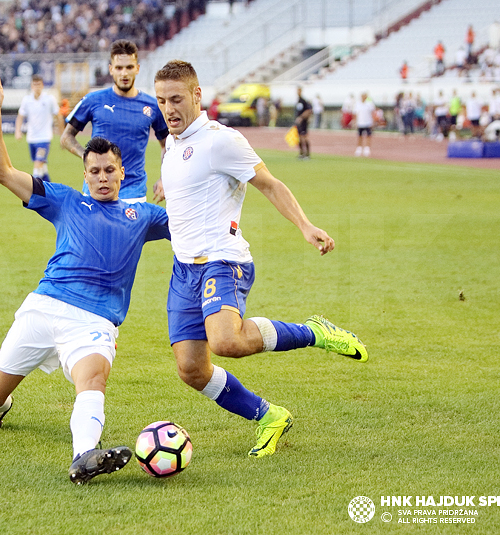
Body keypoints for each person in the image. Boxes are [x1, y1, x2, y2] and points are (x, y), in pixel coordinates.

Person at [152, 60, 367, 460]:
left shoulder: (222, 140)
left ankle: (314, 332)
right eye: (162, 100)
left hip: (222, 261)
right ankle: (270, 416)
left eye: (177, 99)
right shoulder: (172, 143)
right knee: (191, 370)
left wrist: (305, 225)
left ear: (197, 96)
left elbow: (269, 184)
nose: (169, 108)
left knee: (226, 341)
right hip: (183, 269)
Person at [0, 66, 171, 484]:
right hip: (45, 308)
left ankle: (84, 457)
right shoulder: (64, 200)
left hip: (94, 322)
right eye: (95, 171)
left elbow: (190, 226)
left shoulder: (143, 216)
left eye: (110, 170)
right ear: (84, 174)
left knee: (94, 377)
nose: (102, 177)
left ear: (123, 173)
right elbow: (1, 172)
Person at [61, 39, 169, 203]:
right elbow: (66, 137)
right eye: (119, 68)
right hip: (95, 190)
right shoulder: (93, 100)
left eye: (129, 67)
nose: (124, 73)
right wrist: (87, 156)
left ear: (137, 68)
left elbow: (167, 145)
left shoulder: (153, 106)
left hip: (134, 193)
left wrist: (164, 178)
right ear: (111, 69)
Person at [15, 74, 64, 182]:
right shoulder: (27, 100)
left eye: (39, 84)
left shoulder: (49, 99)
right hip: (32, 138)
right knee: (42, 166)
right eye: (34, 84)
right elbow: (20, 116)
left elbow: (58, 116)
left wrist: (62, 135)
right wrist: (18, 131)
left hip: (44, 138)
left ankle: (35, 192)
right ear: (31, 86)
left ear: (42, 85)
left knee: (38, 164)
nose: (37, 87)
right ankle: (50, 188)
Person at [353, 92, 376, 156]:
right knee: (360, 136)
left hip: (368, 122)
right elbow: (355, 113)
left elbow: (373, 113)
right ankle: (359, 148)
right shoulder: (357, 104)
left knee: (368, 136)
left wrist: (373, 121)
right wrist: (355, 122)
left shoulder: (370, 104)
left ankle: (367, 149)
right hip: (360, 122)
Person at [294, 86, 312, 160]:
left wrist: (301, 117)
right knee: (300, 137)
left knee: (304, 137)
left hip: (303, 122)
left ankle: (307, 154)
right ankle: (301, 153)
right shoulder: (298, 100)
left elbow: (309, 110)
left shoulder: (303, 101)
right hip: (299, 123)